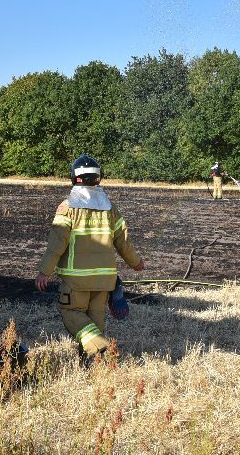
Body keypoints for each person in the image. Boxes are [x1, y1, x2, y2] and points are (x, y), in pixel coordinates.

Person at [35, 155, 144, 361]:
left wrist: (44, 272)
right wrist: (135, 261)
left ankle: (102, 347)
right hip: (104, 280)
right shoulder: (110, 209)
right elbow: (123, 242)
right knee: (96, 319)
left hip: (77, 279)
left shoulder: (68, 207)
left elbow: (57, 244)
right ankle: (92, 363)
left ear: (74, 178)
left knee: (72, 313)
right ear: (98, 178)